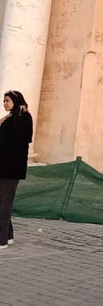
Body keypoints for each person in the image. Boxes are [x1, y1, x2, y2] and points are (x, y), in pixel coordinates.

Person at [0, 90, 33, 249]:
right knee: (2, 202)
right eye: (4, 101)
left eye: (7, 100)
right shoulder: (10, 118)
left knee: (3, 203)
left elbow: (21, 137)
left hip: (11, 169)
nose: (4, 103)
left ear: (16, 101)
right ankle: (8, 235)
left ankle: (1, 241)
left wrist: (19, 113)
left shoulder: (24, 118)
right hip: (2, 167)